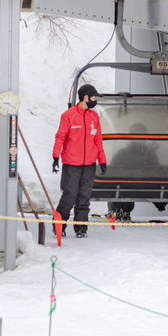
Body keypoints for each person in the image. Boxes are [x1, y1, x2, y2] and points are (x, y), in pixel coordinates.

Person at [52, 83, 107, 238]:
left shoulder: (93, 117)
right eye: (94, 97)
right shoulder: (68, 115)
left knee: (84, 197)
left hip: (89, 165)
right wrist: (56, 157)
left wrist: (102, 160)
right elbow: (60, 137)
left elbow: (98, 141)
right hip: (71, 164)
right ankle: (59, 225)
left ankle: (81, 229)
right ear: (86, 97)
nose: (95, 100)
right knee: (69, 196)